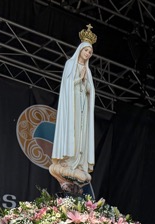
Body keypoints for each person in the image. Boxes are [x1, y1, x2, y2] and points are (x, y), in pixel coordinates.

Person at [49, 26, 97, 189]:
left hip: (83, 105)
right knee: (73, 131)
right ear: (80, 50)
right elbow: (67, 85)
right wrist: (79, 79)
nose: (88, 54)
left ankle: (79, 162)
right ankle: (69, 160)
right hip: (72, 105)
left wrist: (86, 83)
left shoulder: (88, 71)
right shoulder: (71, 64)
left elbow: (90, 90)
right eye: (86, 51)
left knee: (81, 134)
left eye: (90, 52)